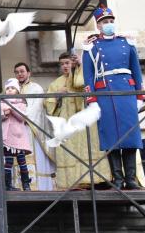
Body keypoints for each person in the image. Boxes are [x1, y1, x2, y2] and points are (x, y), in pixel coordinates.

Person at [82, 5, 145, 190]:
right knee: (111, 135)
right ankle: (117, 178)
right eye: (104, 22)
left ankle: (131, 178)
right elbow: (88, 75)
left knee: (130, 134)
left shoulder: (127, 43)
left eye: (111, 21)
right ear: (98, 25)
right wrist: (92, 99)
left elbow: (137, 70)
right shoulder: (92, 47)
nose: (109, 24)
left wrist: (139, 94)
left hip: (126, 91)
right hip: (105, 93)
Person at [45, 52, 109, 189]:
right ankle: (71, 182)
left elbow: (83, 84)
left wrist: (79, 65)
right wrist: (58, 96)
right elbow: (49, 105)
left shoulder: (82, 76)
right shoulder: (55, 83)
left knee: (89, 147)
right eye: (62, 64)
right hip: (67, 118)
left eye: (67, 63)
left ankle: (94, 179)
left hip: (84, 118)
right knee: (69, 149)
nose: (65, 66)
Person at [14, 62, 56, 190]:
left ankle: (35, 187)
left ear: (29, 73)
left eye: (22, 71)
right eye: (17, 72)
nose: (19, 74)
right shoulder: (12, 89)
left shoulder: (35, 87)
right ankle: (19, 185)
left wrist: (21, 117)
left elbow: (36, 108)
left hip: (29, 128)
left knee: (31, 158)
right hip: (15, 130)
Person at [0, 78, 32, 191]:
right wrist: (4, 113)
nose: (10, 90)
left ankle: (26, 184)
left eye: (12, 88)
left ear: (17, 90)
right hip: (7, 137)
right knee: (8, 161)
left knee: (22, 161)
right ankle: (7, 185)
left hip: (18, 136)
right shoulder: (1, 102)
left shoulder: (21, 102)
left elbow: (22, 117)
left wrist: (11, 108)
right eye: (7, 88)